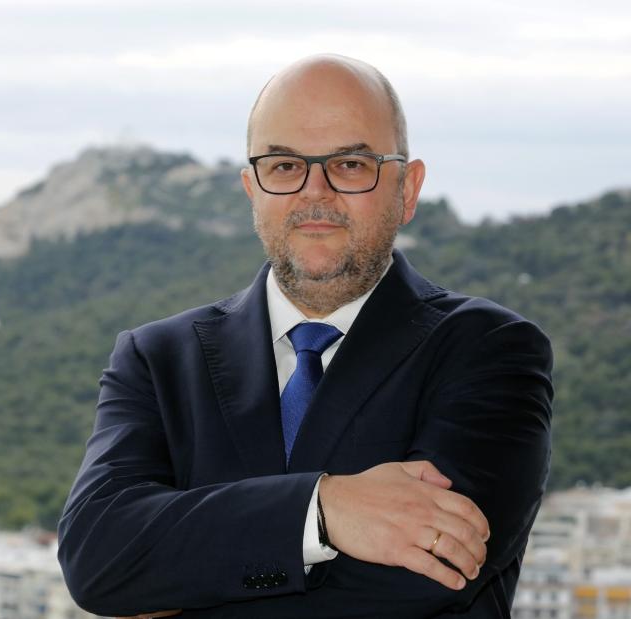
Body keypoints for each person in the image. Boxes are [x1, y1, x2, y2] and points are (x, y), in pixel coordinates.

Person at [57, 54, 553, 618]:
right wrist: (322, 511)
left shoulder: (491, 349)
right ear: (252, 188)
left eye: (350, 164)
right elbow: (97, 557)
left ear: (408, 189)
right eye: (285, 165)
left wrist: (171, 582)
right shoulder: (157, 359)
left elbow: (433, 572)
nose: (315, 192)